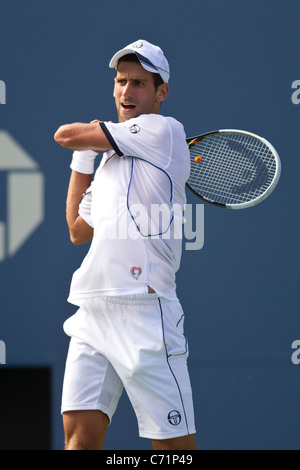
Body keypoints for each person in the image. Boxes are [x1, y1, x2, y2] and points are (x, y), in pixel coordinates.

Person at [54, 39, 196, 451]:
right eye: (120, 81)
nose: (126, 91)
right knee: (79, 437)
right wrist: (85, 158)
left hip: (145, 313)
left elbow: (66, 134)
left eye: (138, 83)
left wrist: (84, 139)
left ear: (161, 91)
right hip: (94, 310)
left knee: (174, 451)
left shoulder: (164, 130)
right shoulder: (111, 160)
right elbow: (79, 229)